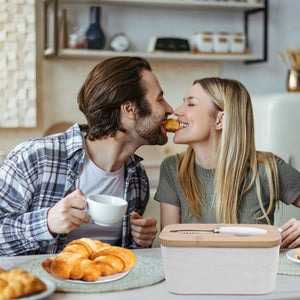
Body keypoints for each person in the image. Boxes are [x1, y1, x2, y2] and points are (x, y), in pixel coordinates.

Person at [0, 56, 173, 256]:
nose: (169, 109)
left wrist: (140, 242)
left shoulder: (137, 178)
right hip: (41, 285)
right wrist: (46, 223)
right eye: (160, 99)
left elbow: (122, 260)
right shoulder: (35, 158)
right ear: (129, 109)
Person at [154, 77, 300, 249]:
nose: (177, 111)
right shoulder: (172, 169)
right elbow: (171, 246)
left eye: (191, 104)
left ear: (220, 120)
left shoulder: (268, 168)